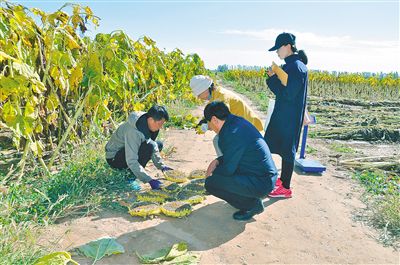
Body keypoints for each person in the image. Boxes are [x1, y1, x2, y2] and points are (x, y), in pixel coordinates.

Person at [203, 101, 278, 221]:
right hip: (262, 175)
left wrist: (210, 175)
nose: (210, 128)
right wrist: (217, 161)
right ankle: (248, 198)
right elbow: (236, 154)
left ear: (214, 119)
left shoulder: (231, 134)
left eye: (209, 123)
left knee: (212, 183)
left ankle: (252, 205)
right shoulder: (235, 122)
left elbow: (228, 169)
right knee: (219, 175)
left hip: (261, 182)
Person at [264, 32, 308, 198]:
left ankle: (286, 187)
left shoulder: (296, 67)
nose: (277, 52)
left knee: (288, 150)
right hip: (285, 115)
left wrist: (273, 79)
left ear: (287, 46)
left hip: (289, 117)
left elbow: (288, 94)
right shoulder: (292, 65)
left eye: (278, 48)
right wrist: (274, 78)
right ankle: (280, 181)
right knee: (277, 146)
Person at [190, 75, 264, 156]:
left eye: (199, 94)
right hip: (241, 126)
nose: (198, 97)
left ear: (205, 89)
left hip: (249, 127)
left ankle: (226, 165)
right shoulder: (216, 95)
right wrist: (204, 121)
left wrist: (208, 126)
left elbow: (221, 120)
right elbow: (213, 114)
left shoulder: (222, 97)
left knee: (219, 140)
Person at [105, 105, 173, 190]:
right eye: (160, 124)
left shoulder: (146, 121)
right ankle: (129, 178)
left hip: (126, 152)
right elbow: (131, 160)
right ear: (151, 120)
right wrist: (149, 180)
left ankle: (136, 171)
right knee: (148, 147)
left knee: (158, 144)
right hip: (114, 158)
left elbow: (152, 144)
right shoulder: (133, 131)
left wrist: (162, 167)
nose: (160, 127)